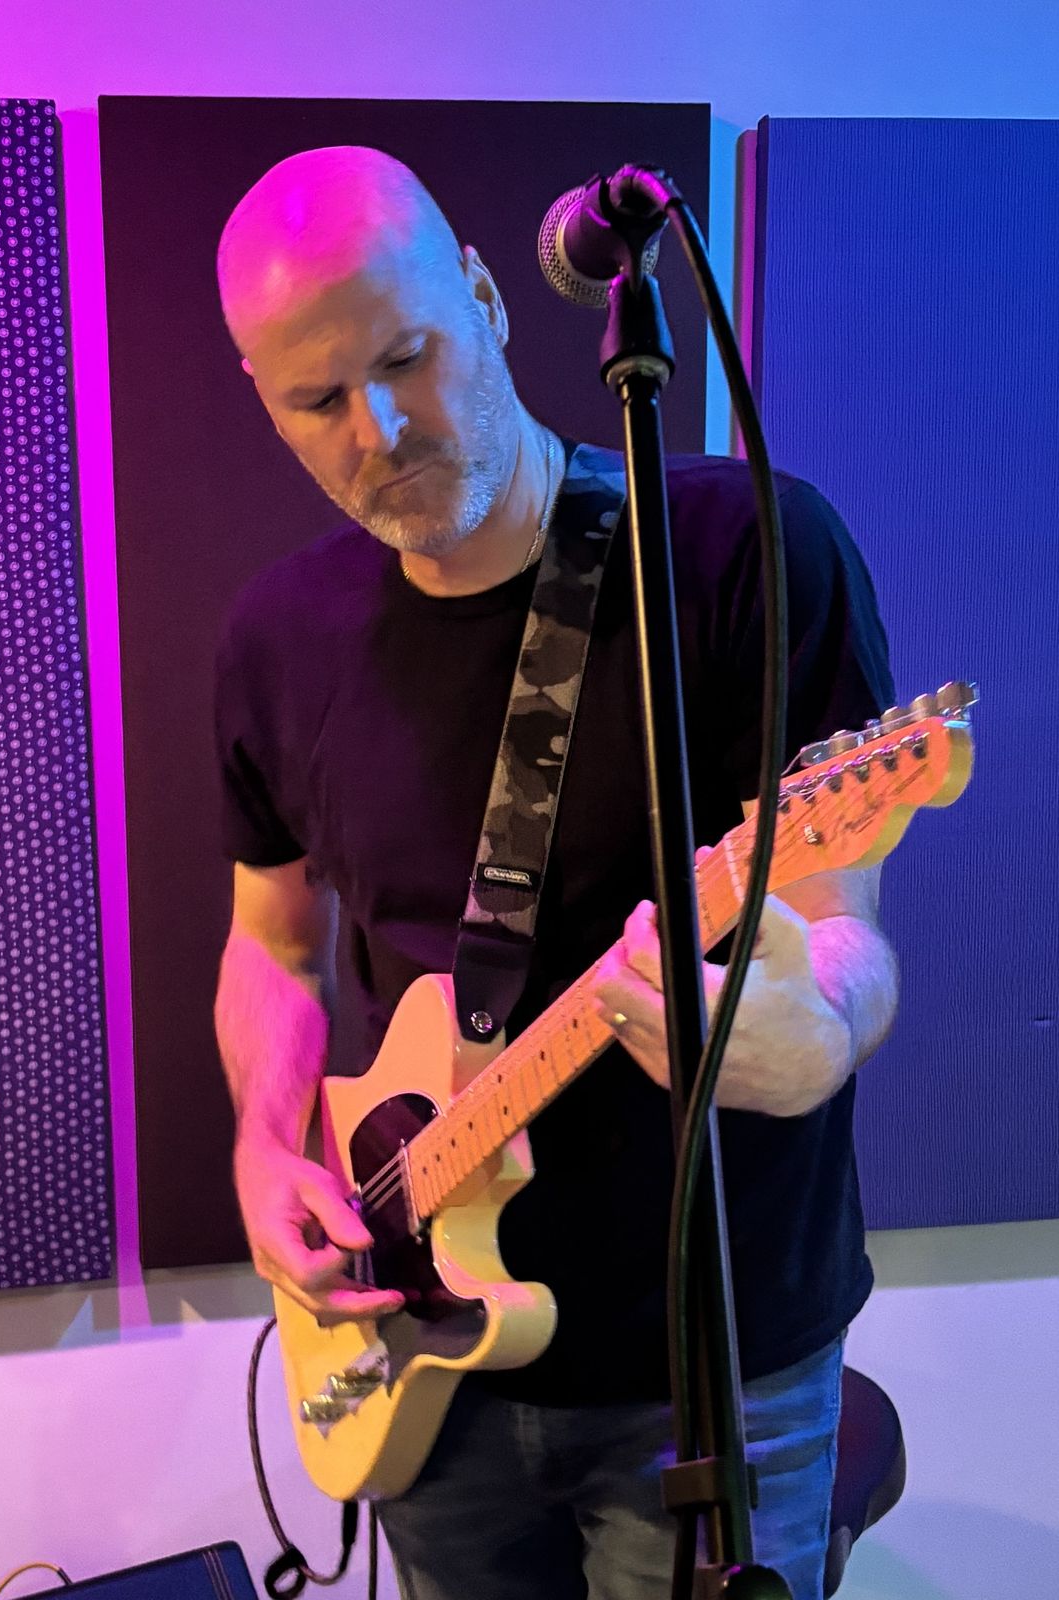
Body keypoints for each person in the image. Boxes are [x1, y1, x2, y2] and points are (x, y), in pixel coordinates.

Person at [213, 146, 899, 1600]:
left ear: (485, 295)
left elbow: (843, 933)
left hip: (704, 1369)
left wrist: (817, 1029)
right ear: (260, 400)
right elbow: (270, 943)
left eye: (405, 358)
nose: (378, 429)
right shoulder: (275, 641)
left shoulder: (743, 549)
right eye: (318, 402)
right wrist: (266, 1145)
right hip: (426, 1355)